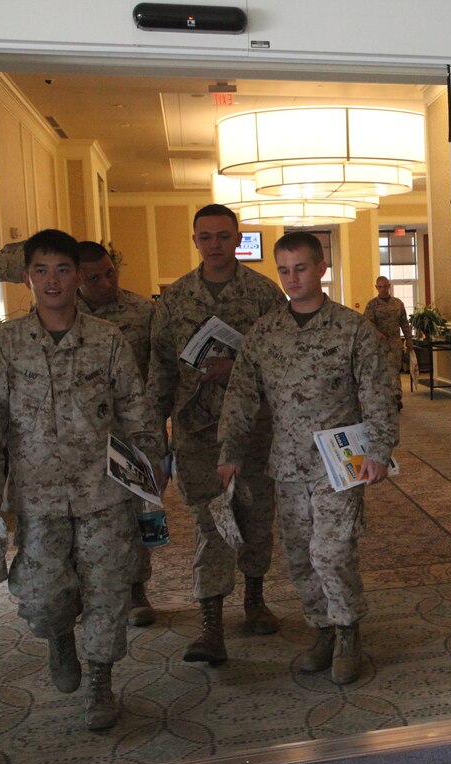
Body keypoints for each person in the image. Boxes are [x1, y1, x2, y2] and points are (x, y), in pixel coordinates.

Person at [0, 229, 163, 730]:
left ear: (77, 276)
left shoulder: (106, 339)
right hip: (38, 497)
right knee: (42, 596)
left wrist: (153, 463)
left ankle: (100, 681)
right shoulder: (4, 345)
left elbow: (135, 410)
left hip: (105, 492)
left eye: (63, 270)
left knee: (107, 590)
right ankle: (58, 639)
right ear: (28, 277)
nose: (53, 281)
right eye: (42, 270)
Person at [218, 231, 398, 685]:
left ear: (321, 268)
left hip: (342, 463)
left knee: (331, 551)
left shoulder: (351, 328)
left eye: (301, 268)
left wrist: (379, 450)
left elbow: (377, 391)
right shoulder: (265, 332)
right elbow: (242, 396)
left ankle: (348, 632)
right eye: (283, 270)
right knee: (299, 556)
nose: (292, 278)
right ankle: (322, 629)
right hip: (288, 464)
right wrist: (231, 451)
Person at [147, 204, 286, 664]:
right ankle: (211, 625)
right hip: (197, 432)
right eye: (205, 237)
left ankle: (254, 596)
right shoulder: (175, 299)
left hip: (253, 432)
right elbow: (161, 371)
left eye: (224, 236)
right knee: (211, 524)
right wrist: (154, 439)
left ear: (239, 238)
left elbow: (285, 363)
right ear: (195, 241)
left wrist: (237, 366)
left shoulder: (265, 295)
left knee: (256, 518)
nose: (215, 245)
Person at [77, 241, 157, 627]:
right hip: (79, 438)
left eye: (110, 272)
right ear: (77, 278)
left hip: (129, 433)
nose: (107, 281)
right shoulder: (60, 313)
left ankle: (136, 587)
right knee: (84, 515)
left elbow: (159, 372)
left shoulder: (142, 311)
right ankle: (85, 591)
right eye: (95, 277)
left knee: (137, 510)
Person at [363, 276, 413, 410]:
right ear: (376, 288)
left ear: (389, 286)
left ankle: (396, 397)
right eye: (380, 287)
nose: (383, 289)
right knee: (379, 372)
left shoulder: (398, 303)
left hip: (395, 343)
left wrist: (409, 340)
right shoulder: (372, 304)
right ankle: (382, 399)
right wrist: (378, 334)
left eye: (385, 286)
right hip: (378, 345)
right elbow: (367, 323)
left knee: (394, 371)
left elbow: (404, 323)